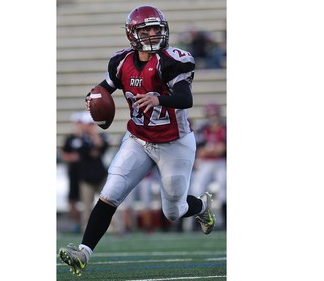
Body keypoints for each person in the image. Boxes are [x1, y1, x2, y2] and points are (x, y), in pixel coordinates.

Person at [58, 6, 216, 276]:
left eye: (157, 29)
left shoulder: (173, 61)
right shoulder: (121, 62)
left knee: (173, 211)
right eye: (146, 30)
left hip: (174, 143)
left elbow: (185, 98)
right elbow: (104, 88)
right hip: (138, 140)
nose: (153, 34)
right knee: (110, 194)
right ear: (133, 34)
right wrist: (93, 97)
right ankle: (83, 252)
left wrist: (158, 98)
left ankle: (201, 206)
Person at [190, 103, 227, 229]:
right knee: (197, 188)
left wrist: (212, 150)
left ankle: (225, 220)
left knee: (224, 187)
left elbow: (223, 149)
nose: (212, 117)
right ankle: (199, 220)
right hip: (205, 162)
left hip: (221, 161)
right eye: (210, 114)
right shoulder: (202, 129)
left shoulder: (224, 128)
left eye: (214, 114)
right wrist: (213, 149)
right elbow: (200, 150)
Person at [78, 111, 110, 232]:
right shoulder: (79, 139)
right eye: (89, 125)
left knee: (110, 201)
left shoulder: (99, 137)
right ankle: (85, 231)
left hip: (101, 176)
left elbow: (102, 147)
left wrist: (94, 138)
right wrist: (95, 148)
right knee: (86, 207)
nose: (91, 127)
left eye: (92, 124)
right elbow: (88, 153)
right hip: (86, 178)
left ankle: (117, 229)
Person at [60, 112, 85, 233]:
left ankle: (85, 223)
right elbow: (64, 154)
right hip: (74, 173)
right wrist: (73, 157)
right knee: (73, 200)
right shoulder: (70, 139)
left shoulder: (86, 138)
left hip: (86, 173)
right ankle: (76, 223)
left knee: (86, 200)